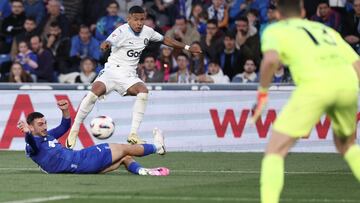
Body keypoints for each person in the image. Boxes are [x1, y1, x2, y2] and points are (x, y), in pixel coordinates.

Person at [251, 1, 360, 203]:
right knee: (347, 145)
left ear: (277, 14)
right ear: (302, 12)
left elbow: (270, 61)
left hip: (315, 86)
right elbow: (357, 64)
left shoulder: (275, 30)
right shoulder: (324, 30)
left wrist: (263, 93)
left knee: (275, 151)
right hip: (348, 85)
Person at [66, 6, 201, 149]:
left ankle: (133, 134)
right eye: (136, 20)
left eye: (142, 19)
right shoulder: (121, 30)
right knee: (93, 94)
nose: (139, 23)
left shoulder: (148, 32)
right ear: (128, 19)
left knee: (143, 91)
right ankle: (74, 129)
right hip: (112, 71)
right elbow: (109, 41)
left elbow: (165, 40)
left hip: (129, 75)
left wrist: (187, 48)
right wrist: (106, 44)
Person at [17, 99, 169, 175]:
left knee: (125, 157)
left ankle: (144, 171)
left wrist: (65, 110)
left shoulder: (48, 136)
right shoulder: (32, 145)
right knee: (123, 148)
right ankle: (157, 147)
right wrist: (27, 134)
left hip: (81, 163)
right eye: (40, 124)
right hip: (82, 161)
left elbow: (64, 126)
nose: (44, 127)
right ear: (31, 127)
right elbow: (31, 142)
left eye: (45, 123)